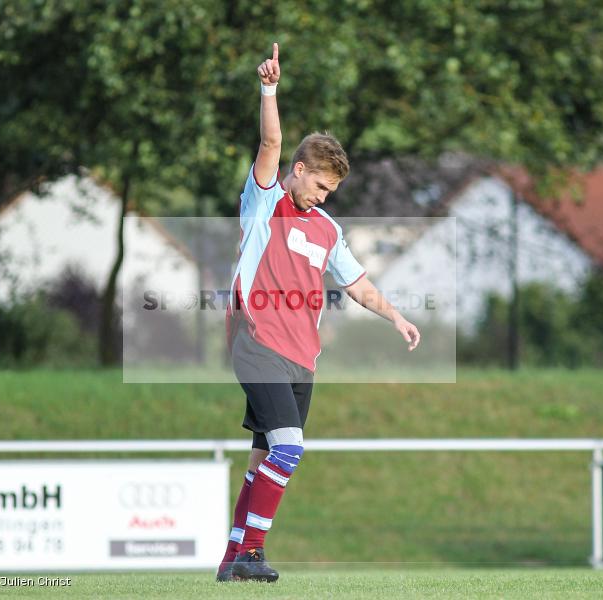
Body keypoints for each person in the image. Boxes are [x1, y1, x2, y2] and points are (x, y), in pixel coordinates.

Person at [218, 43, 421, 583]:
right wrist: (269, 89)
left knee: (264, 461)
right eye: (322, 186)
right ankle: (251, 556)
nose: (325, 198)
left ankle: (230, 559)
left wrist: (396, 317)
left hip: (302, 359)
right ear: (300, 171)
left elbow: (355, 282)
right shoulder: (266, 202)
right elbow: (271, 141)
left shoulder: (327, 230)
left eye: (333, 192)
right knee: (290, 449)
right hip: (259, 344)